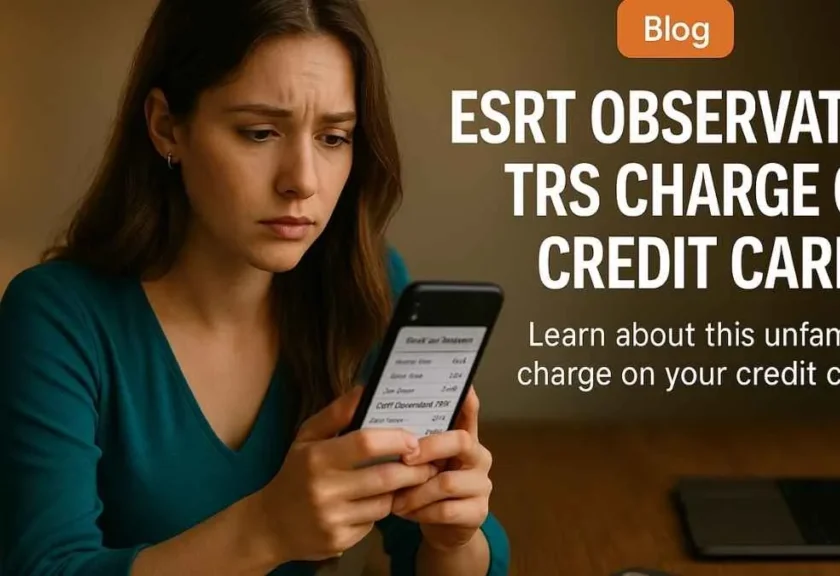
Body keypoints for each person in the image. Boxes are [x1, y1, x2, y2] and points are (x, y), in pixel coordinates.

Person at [0, 0, 510, 574]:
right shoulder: (56, 317)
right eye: (260, 132)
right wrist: (268, 528)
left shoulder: (363, 287)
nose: (303, 181)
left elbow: (435, 556)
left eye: (334, 137)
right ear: (166, 126)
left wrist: (451, 538)